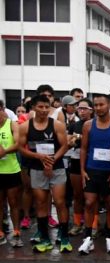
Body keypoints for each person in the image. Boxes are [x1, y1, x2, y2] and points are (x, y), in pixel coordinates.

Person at [17, 95, 70, 253]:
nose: (44, 110)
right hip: (37, 168)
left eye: (47, 107)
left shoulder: (57, 125)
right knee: (40, 203)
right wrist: (38, 157)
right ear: (33, 107)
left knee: (60, 202)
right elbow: (20, 147)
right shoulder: (25, 126)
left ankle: (64, 237)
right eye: (40, 107)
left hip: (57, 168)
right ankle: (45, 238)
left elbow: (65, 145)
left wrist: (52, 160)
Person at [77, 94, 110, 255]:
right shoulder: (88, 125)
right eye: (95, 105)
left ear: (109, 105)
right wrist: (83, 170)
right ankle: (88, 238)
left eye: (101, 105)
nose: (98, 108)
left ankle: (109, 238)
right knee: (90, 203)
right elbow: (84, 148)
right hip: (92, 169)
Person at [66, 98, 93, 237]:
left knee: (92, 196)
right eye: (79, 109)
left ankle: (93, 225)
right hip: (76, 161)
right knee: (77, 195)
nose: (81, 111)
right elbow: (68, 143)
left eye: (84, 108)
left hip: (92, 162)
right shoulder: (74, 125)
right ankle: (77, 223)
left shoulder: (95, 124)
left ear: (91, 110)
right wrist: (74, 139)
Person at [0, 101, 23, 247]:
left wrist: (4, 151)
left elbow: (18, 144)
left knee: (13, 203)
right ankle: (0, 232)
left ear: (2, 109)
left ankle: (16, 232)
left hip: (11, 170)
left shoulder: (11, 124)